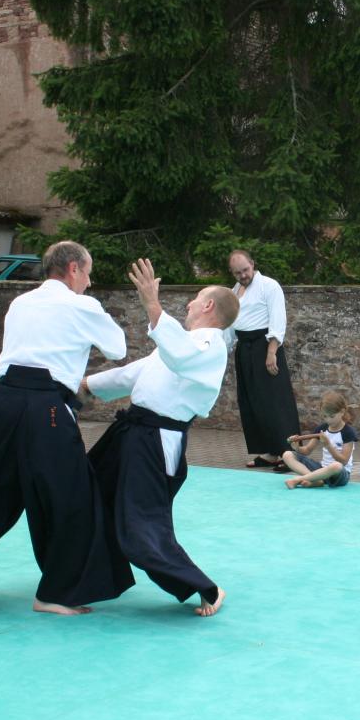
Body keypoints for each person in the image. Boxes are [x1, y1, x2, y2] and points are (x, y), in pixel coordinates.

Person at [0, 241, 132, 616]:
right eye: (89, 272)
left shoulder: (21, 303)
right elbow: (117, 348)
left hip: (4, 404)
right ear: (74, 269)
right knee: (71, 499)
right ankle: (54, 594)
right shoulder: (82, 305)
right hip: (46, 408)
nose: (91, 281)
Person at [82, 259, 240, 617]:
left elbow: (181, 358)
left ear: (209, 306)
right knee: (88, 494)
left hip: (155, 443)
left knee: (141, 526)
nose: (188, 304)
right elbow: (134, 373)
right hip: (129, 434)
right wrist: (86, 386)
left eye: (196, 298)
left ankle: (205, 588)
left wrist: (153, 305)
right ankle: (88, 578)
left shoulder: (209, 344)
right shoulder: (179, 344)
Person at [226, 250, 301, 470]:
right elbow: (231, 325)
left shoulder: (269, 286)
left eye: (246, 270)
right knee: (252, 401)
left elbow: (278, 318)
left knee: (275, 400)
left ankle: (288, 453)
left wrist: (272, 351)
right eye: (238, 272)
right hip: (244, 348)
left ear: (253, 264)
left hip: (265, 346)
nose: (243, 275)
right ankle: (270, 452)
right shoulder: (234, 292)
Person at [280, 391, 358, 489]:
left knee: (336, 466)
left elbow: (343, 462)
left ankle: (300, 479)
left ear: (342, 412)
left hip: (339, 475)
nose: (328, 420)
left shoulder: (348, 432)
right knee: (287, 455)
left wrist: (328, 445)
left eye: (332, 416)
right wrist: (297, 448)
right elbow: (307, 450)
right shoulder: (322, 429)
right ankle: (316, 480)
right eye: (325, 416)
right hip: (322, 469)